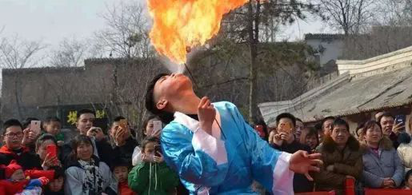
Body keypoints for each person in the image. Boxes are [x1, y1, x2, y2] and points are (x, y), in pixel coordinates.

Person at [145, 72, 321, 194]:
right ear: (162, 103)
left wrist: (286, 161)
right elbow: (202, 174)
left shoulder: (227, 110)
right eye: (164, 80)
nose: (172, 74)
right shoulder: (171, 134)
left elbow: (257, 151)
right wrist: (205, 128)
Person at [313, 118, 362, 193]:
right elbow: (319, 175)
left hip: (351, 190)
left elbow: (358, 172)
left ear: (348, 134)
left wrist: (336, 167)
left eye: (344, 131)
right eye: (337, 131)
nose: (340, 134)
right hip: (327, 190)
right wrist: (343, 179)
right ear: (331, 133)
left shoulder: (356, 148)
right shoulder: (321, 149)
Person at [269, 113, 313, 193]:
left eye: (288, 125)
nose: (285, 129)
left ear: (294, 129)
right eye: (282, 125)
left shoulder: (304, 148)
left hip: (298, 190)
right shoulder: (271, 148)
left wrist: (290, 142)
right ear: (277, 129)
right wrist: (276, 145)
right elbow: (268, 166)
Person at [361, 120, 404, 189]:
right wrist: (380, 182)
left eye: (377, 130)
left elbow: (399, 167)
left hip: (393, 189)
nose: (375, 133)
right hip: (372, 191)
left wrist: (394, 181)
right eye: (371, 131)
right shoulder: (360, 152)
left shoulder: (390, 149)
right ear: (364, 135)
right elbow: (361, 172)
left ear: (381, 134)